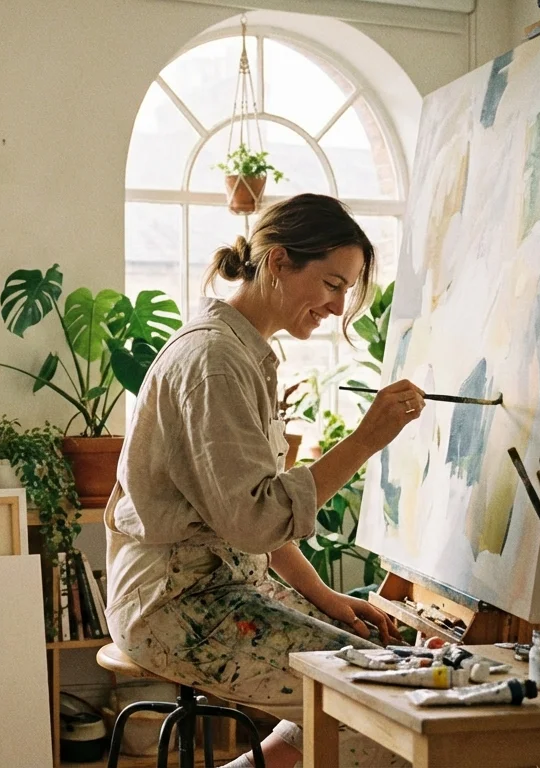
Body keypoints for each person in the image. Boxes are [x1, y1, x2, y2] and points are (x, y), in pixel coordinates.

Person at [103, 193, 426, 768]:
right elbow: (255, 519)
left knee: (380, 665)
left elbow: (248, 514)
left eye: (346, 289)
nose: (337, 305)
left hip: (223, 586)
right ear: (278, 262)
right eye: (332, 283)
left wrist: (324, 598)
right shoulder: (214, 361)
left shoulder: (242, 354)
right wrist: (365, 439)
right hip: (173, 604)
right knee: (386, 704)